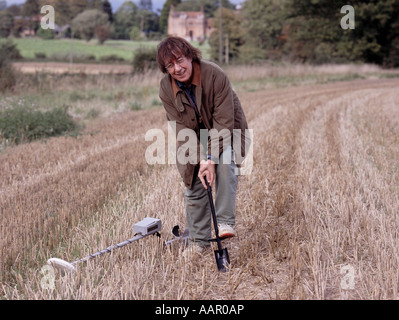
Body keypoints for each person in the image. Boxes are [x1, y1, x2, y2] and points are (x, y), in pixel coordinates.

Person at [157, 36, 249, 252]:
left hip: (227, 129)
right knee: (193, 179)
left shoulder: (214, 74)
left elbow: (224, 121)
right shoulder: (165, 89)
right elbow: (180, 128)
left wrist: (210, 158)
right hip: (192, 137)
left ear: (190, 55)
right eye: (170, 65)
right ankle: (199, 241)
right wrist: (201, 159)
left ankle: (224, 222)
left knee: (225, 161)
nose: (177, 68)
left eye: (180, 60)